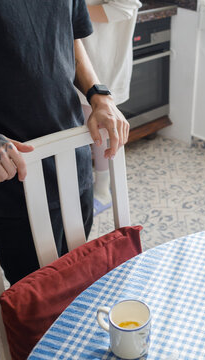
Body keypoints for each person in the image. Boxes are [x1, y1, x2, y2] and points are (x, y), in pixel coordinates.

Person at [0, 0, 129, 285]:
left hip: (69, 152)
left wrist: (99, 94)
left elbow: (70, 33)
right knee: (37, 294)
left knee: (78, 276)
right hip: (5, 171)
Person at [80, 0, 141, 212]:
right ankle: (97, 185)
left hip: (102, 59)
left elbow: (123, 8)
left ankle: (104, 188)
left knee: (100, 132)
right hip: (80, 57)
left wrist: (68, 11)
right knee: (89, 131)